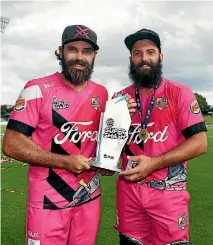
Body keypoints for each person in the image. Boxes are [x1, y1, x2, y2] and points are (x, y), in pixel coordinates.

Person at [3, 24, 113, 245]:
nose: (79, 57)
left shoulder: (102, 93)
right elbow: (11, 144)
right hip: (47, 202)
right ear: (61, 51)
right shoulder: (37, 89)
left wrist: (107, 161)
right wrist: (64, 161)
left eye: (87, 51)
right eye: (73, 49)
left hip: (89, 198)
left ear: (95, 56)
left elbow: (103, 141)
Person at [114, 28, 208, 245]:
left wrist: (154, 163)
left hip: (168, 193)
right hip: (129, 193)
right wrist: (118, 120)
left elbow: (200, 143)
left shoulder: (179, 92)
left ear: (160, 56)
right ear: (131, 59)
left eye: (150, 52)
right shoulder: (119, 99)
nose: (144, 58)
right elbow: (112, 148)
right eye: (137, 53)